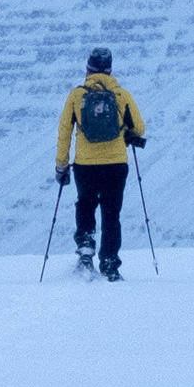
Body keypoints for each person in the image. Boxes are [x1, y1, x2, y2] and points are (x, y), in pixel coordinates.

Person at [54, 48, 147, 281]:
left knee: (85, 205)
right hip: (116, 164)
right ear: (110, 70)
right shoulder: (121, 95)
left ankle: (86, 254)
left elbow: (65, 131)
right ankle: (109, 265)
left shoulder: (76, 96)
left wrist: (61, 165)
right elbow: (140, 129)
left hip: (85, 165)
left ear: (88, 69)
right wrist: (125, 133)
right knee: (111, 213)